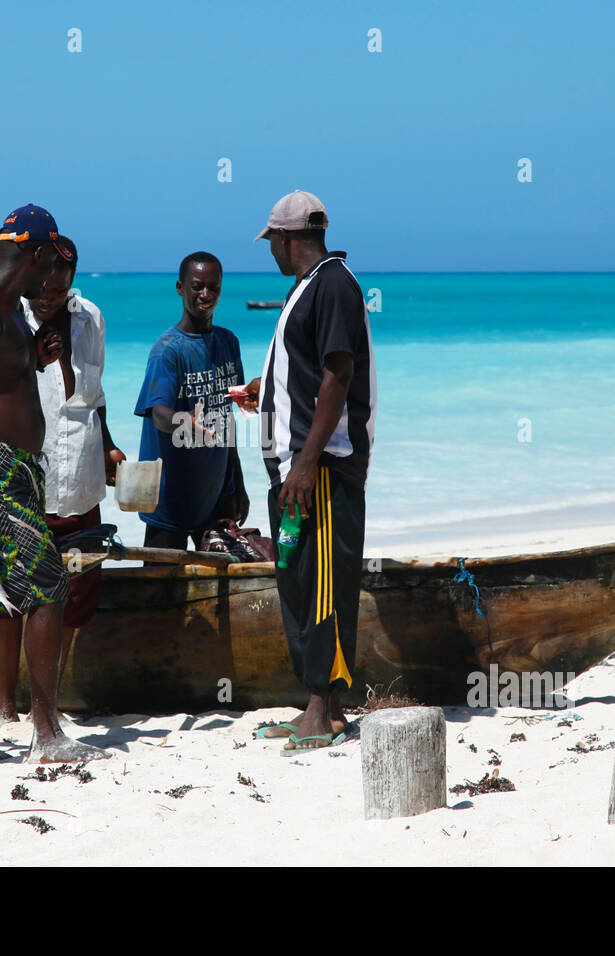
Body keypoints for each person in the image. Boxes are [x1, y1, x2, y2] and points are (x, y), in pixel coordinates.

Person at [0, 203, 107, 764]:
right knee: (49, 587)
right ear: (35, 254)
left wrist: (33, 361)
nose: (53, 278)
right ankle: (47, 733)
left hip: (17, 469)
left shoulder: (11, 312)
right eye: (50, 261)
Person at [244, 190, 377, 751]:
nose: (271, 250)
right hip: (298, 469)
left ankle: (323, 711)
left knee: (322, 584)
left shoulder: (333, 285)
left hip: (318, 474)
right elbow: (307, 370)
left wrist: (306, 461)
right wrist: (266, 391)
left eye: (272, 241)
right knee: (299, 579)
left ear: (286, 237)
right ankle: (320, 707)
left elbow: (338, 376)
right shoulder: (307, 288)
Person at [0, 236, 124, 721]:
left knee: (73, 594)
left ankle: (49, 701)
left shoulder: (91, 318)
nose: (49, 296)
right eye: (43, 287)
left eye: (59, 289)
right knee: (9, 595)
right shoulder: (6, 321)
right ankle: (5, 705)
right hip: (26, 480)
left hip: (81, 479)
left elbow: (95, 397)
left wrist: (107, 446)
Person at [133, 252, 248, 554]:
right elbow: (158, 412)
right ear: (180, 288)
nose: (205, 295)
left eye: (214, 287)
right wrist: (184, 423)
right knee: (161, 595)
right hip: (169, 502)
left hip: (216, 498)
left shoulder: (228, 343)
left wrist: (238, 485)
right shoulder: (168, 350)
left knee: (217, 592)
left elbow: (227, 419)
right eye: (197, 287)